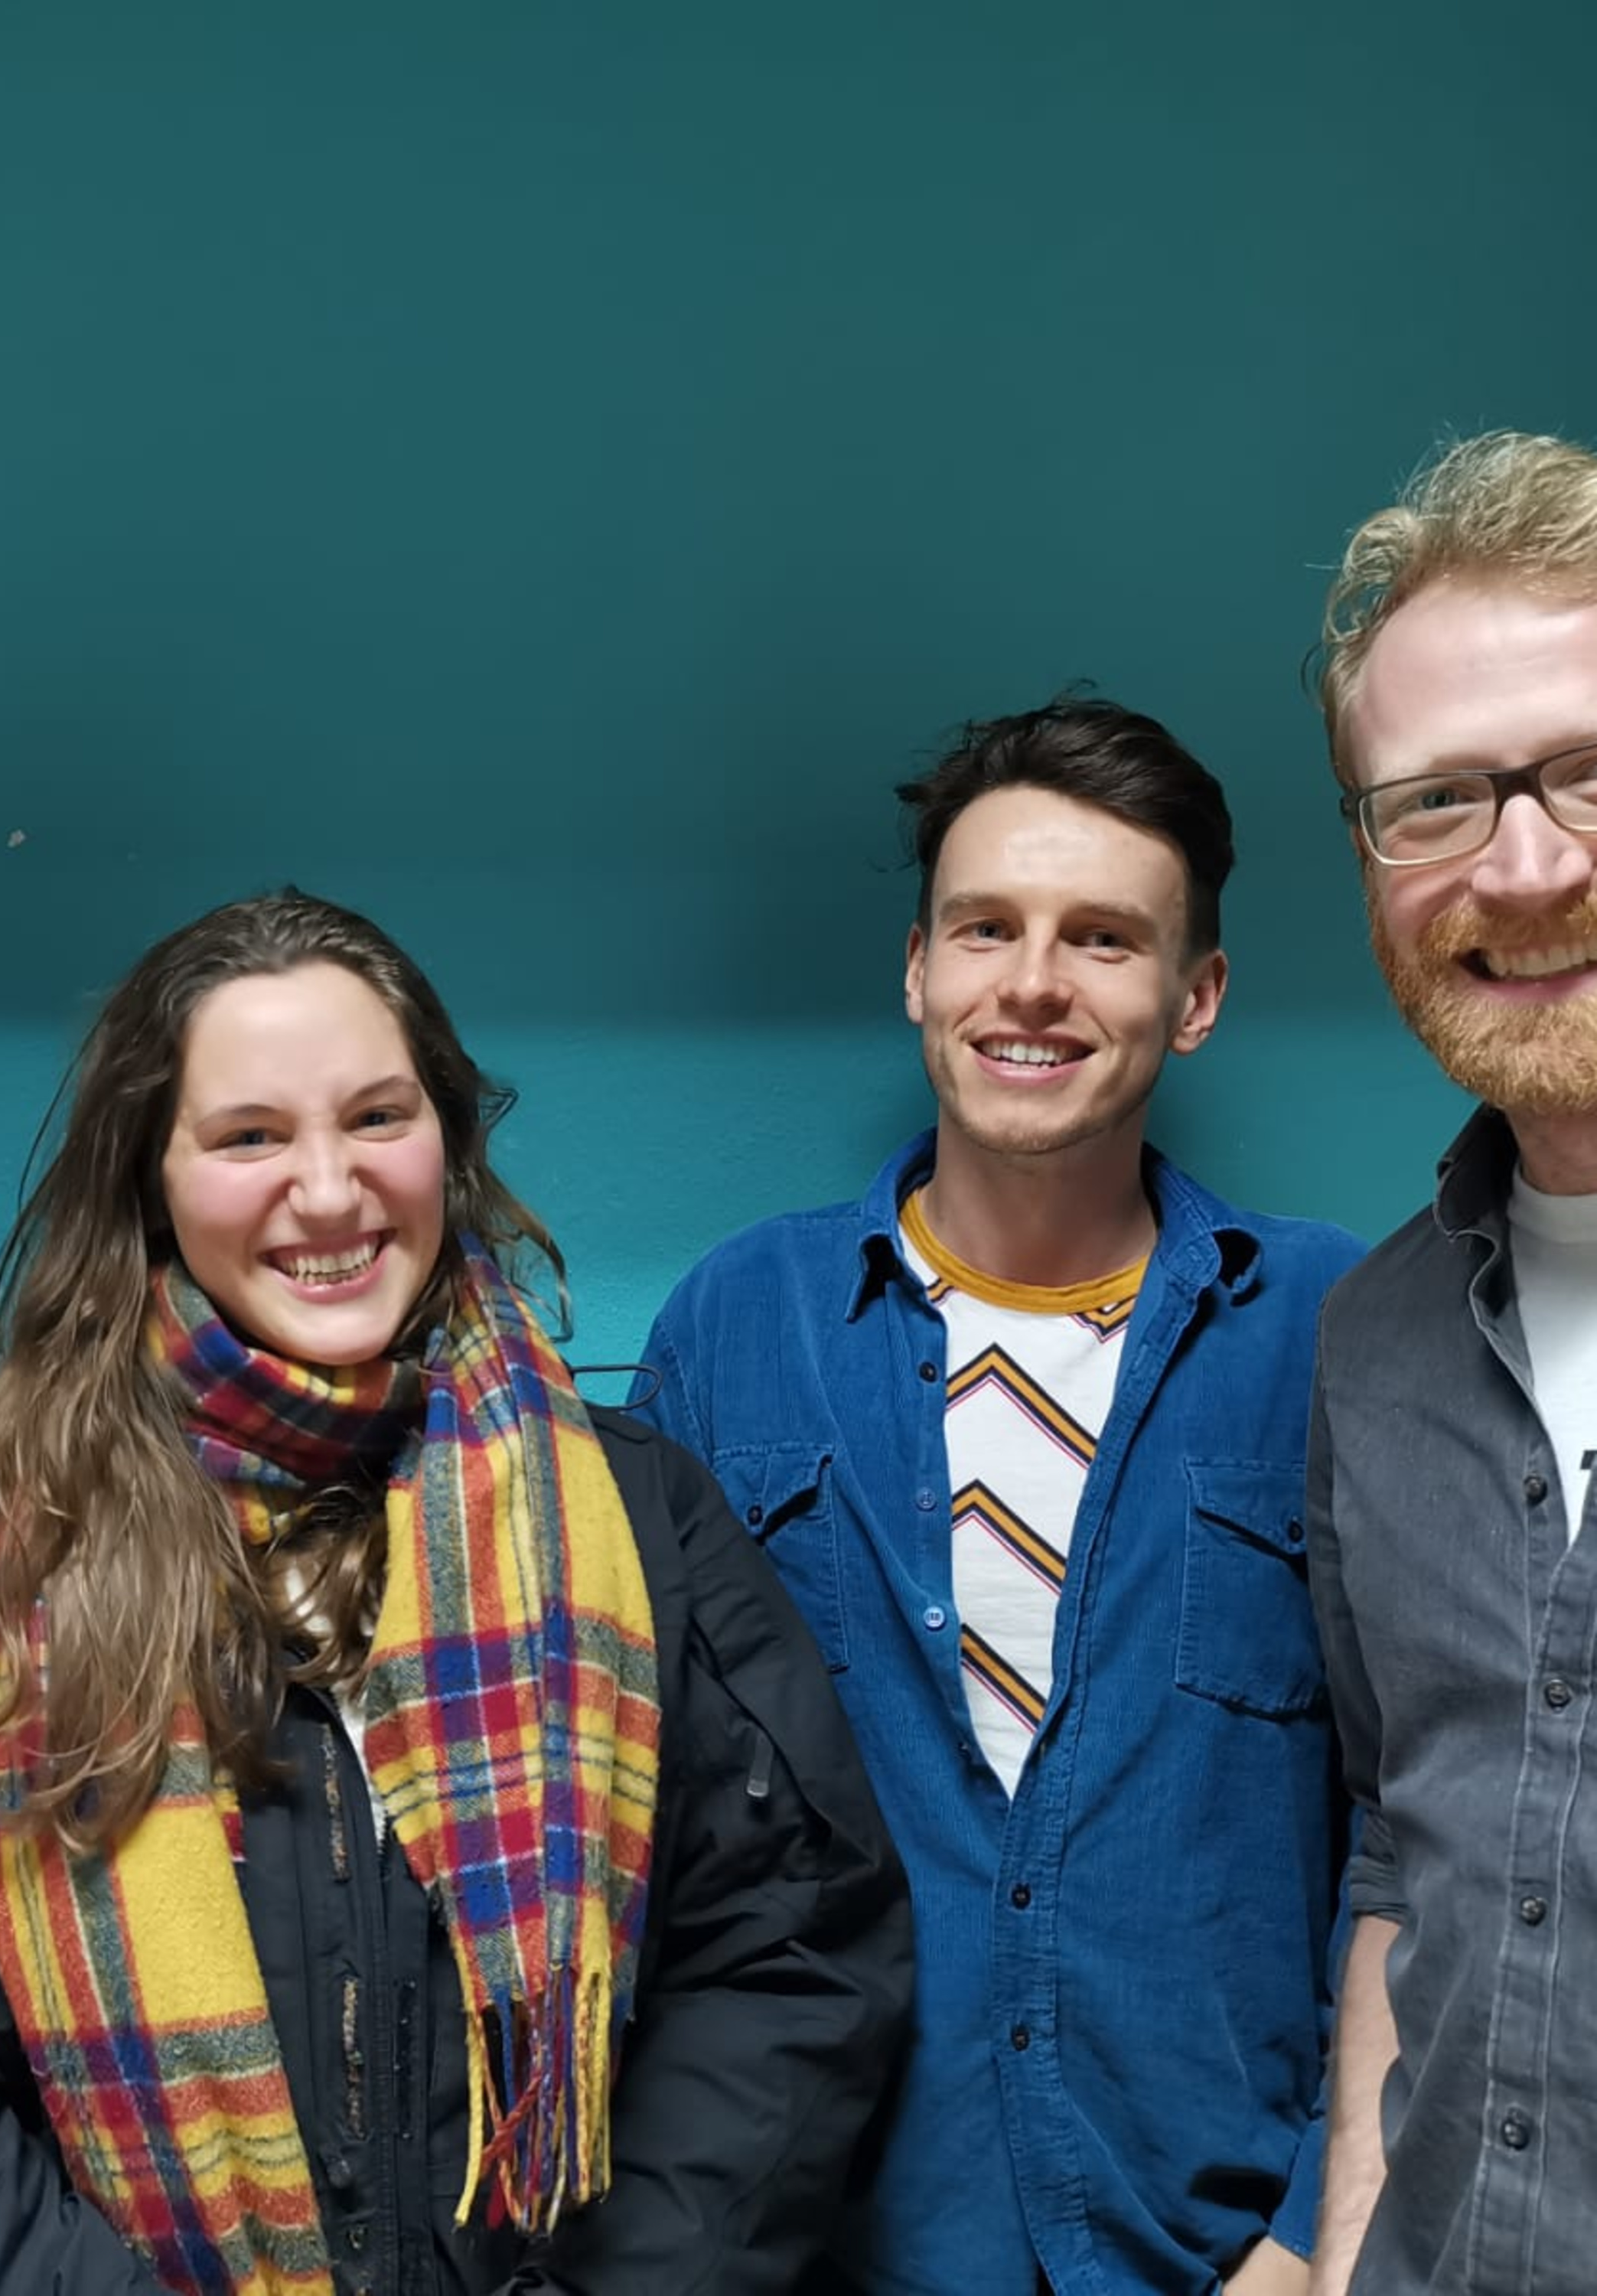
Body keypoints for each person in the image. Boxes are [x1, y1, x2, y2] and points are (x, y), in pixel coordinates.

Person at [0, 888, 911, 2293]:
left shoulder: (637, 1517)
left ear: (447, 1140)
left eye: (376, 1117)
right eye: (250, 1137)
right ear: (151, 1178)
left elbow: (790, 1958)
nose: (332, 1190)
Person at [636, 698, 1362, 2295]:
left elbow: (1420, 1815)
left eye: (1104, 938)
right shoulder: (738, 1325)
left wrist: (1316, 2230)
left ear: (1197, 997)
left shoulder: (1336, 1331)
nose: (1033, 982)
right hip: (833, 2250)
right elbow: (645, 1821)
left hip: (1224, 2255)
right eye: (986, 928)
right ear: (920, 970)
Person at [1306, 431, 1597, 2294]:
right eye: (1435, 802)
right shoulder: (1375, 1341)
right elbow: (1404, 1865)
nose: (1530, 864)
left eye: (1588, 771)